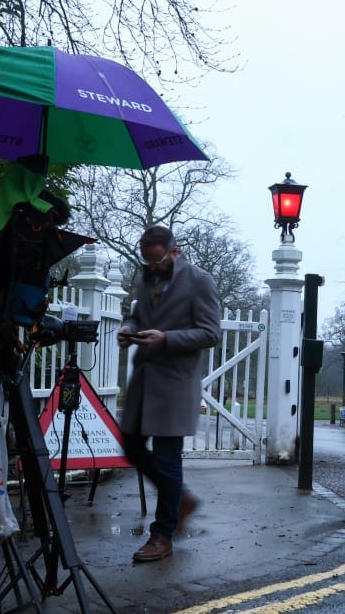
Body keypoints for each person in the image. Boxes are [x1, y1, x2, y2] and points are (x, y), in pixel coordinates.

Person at [118, 225, 221, 563]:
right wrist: (129, 328)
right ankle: (181, 499)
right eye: (146, 260)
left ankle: (162, 535)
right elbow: (137, 313)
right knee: (131, 447)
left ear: (174, 251)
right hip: (144, 381)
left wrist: (167, 338)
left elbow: (210, 333)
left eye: (157, 259)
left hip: (175, 383)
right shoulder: (146, 275)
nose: (151, 266)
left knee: (166, 458)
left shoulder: (199, 281)